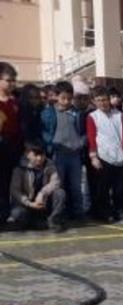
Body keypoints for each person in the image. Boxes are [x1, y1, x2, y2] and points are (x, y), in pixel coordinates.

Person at [40, 81, 86, 221]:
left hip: (75, 156)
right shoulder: (48, 113)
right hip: (57, 155)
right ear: (56, 96)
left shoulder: (77, 113)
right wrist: (52, 144)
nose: (66, 101)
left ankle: (78, 213)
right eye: (63, 98)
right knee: (59, 186)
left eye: (69, 98)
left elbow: (84, 133)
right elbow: (44, 133)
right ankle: (59, 213)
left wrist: (81, 143)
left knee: (76, 186)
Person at [85, 86, 123, 223]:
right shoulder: (92, 117)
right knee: (103, 189)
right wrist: (93, 156)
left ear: (109, 99)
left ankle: (120, 210)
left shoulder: (119, 115)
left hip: (119, 157)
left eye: (104, 100)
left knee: (119, 188)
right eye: (98, 100)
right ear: (94, 102)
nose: (102, 103)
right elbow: (91, 137)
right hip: (103, 156)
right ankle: (105, 212)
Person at [6, 142, 65, 231]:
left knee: (60, 193)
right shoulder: (19, 169)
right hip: (27, 205)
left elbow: (56, 182)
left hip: (43, 203)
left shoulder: (50, 165)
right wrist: (30, 204)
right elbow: (15, 191)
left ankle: (53, 221)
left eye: (42, 155)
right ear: (27, 154)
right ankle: (31, 223)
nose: (39, 158)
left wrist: (42, 193)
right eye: (36, 155)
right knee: (17, 214)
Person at [0, 62, 21, 223]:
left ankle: (9, 214)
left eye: (14, 80)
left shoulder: (16, 102)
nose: (12, 83)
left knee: (11, 181)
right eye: (8, 80)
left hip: (14, 146)